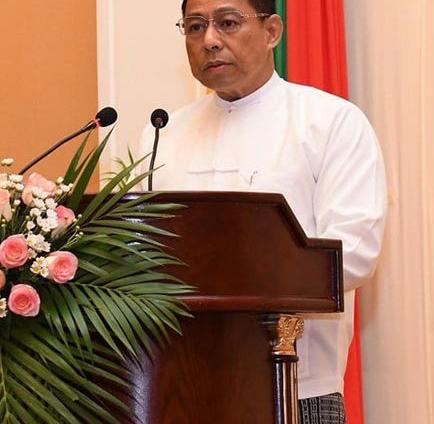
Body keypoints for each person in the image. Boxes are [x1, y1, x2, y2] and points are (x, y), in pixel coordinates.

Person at [133, 0, 387, 422]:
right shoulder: (164, 134)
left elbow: (352, 254)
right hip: (182, 386)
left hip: (297, 386)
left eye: (228, 23)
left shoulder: (330, 122)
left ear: (272, 32)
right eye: (194, 27)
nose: (209, 41)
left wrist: (229, 270)